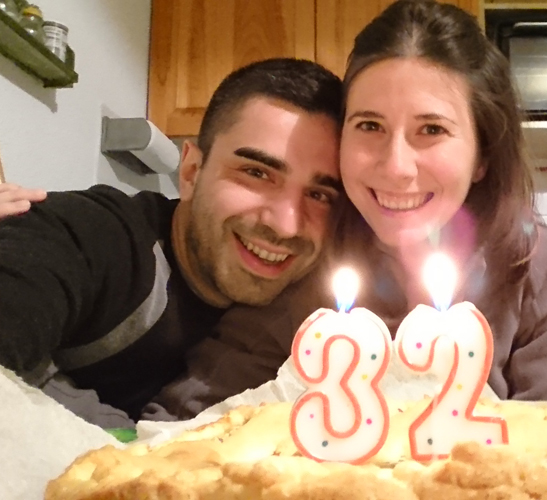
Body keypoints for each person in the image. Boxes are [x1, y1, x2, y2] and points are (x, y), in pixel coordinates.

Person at [146, 0, 547, 420]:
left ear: (482, 157)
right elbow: (181, 421)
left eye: (431, 129)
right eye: (370, 125)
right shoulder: (312, 255)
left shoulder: (542, 272)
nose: (395, 167)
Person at [0, 58, 343, 427]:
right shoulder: (96, 237)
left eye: (319, 195)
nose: (287, 226)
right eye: (256, 173)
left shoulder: (315, 314)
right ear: (191, 172)